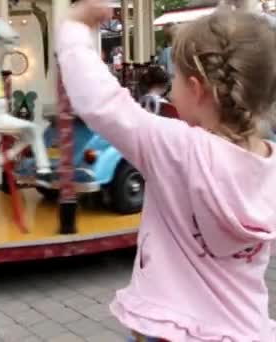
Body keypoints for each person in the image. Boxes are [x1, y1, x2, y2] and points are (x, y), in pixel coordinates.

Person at [57, 1, 276, 341]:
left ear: (197, 88)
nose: (170, 86)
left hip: (174, 330)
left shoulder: (175, 148)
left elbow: (102, 103)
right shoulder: (270, 166)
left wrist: (73, 27)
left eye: (174, 77)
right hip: (246, 330)